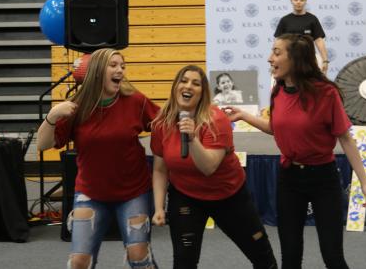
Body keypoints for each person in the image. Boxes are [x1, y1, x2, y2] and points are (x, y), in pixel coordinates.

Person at [225, 34, 366, 269]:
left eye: (277, 52)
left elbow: (345, 139)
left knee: (332, 256)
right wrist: (244, 115)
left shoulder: (326, 93)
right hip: (290, 179)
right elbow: (276, 129)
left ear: (295, 58)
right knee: (291, 258)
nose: (269, 58)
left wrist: (364, 183)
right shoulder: (277, 91)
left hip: (323, 179)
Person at [37, 48, 159, 269]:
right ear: (96, 70)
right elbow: (43, 144)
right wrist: (52, 116)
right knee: (79, 262)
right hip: (91, 193)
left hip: (133, 192)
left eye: (122, 66)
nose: (119, 70)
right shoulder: (77, 106)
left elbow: (163, 125)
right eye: (113, 65)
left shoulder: (135, 101)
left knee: (139, 257)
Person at [150, 65, 277, 269]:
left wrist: (192, 138)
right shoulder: (161, 123)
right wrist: (158, 207)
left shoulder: (216, 119)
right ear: (175, 87)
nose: (188, 86)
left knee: (263, 259)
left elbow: (208, 167)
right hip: (186, 195)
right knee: (184, 262)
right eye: (183, 81)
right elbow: (160, 169)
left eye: (196, 83)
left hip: (229, 196)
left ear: (203, 92)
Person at [274, 0, 329, 74]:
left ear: (305, 1)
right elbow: (278, 43)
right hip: (289, 62)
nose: (298, 2)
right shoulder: (285, 20)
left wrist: (325, 60)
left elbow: (319, 40)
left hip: (309, 61)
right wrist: (275, 62)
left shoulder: (312, 19)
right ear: (291, 1)